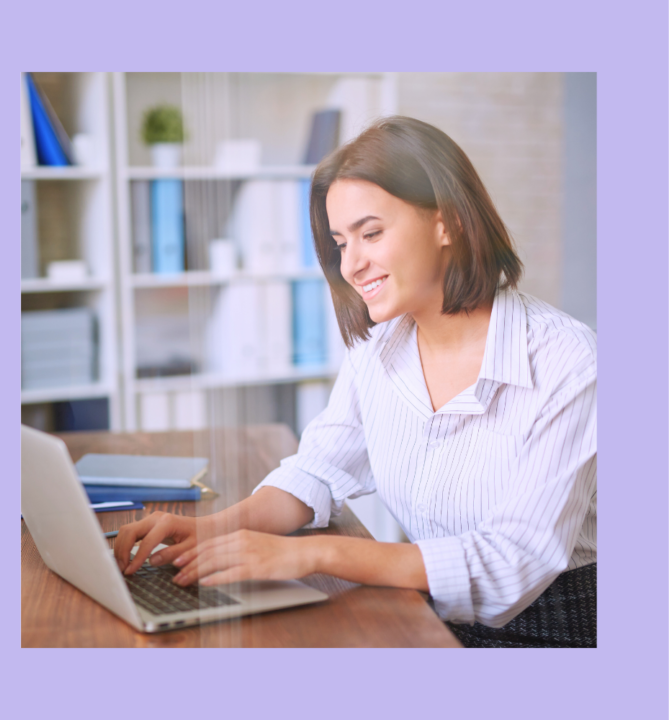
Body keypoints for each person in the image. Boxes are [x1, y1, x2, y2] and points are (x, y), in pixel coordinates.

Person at [115, 116, 597, 648]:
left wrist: (311, 553)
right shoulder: (380, 345)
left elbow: (512, 565)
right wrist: (217, 528)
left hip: (551, 634)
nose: (352, 265)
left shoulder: (568, 362)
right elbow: (320, 470)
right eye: (341, 243)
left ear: (449, 223)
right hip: (427, 613)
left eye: (371, 233)